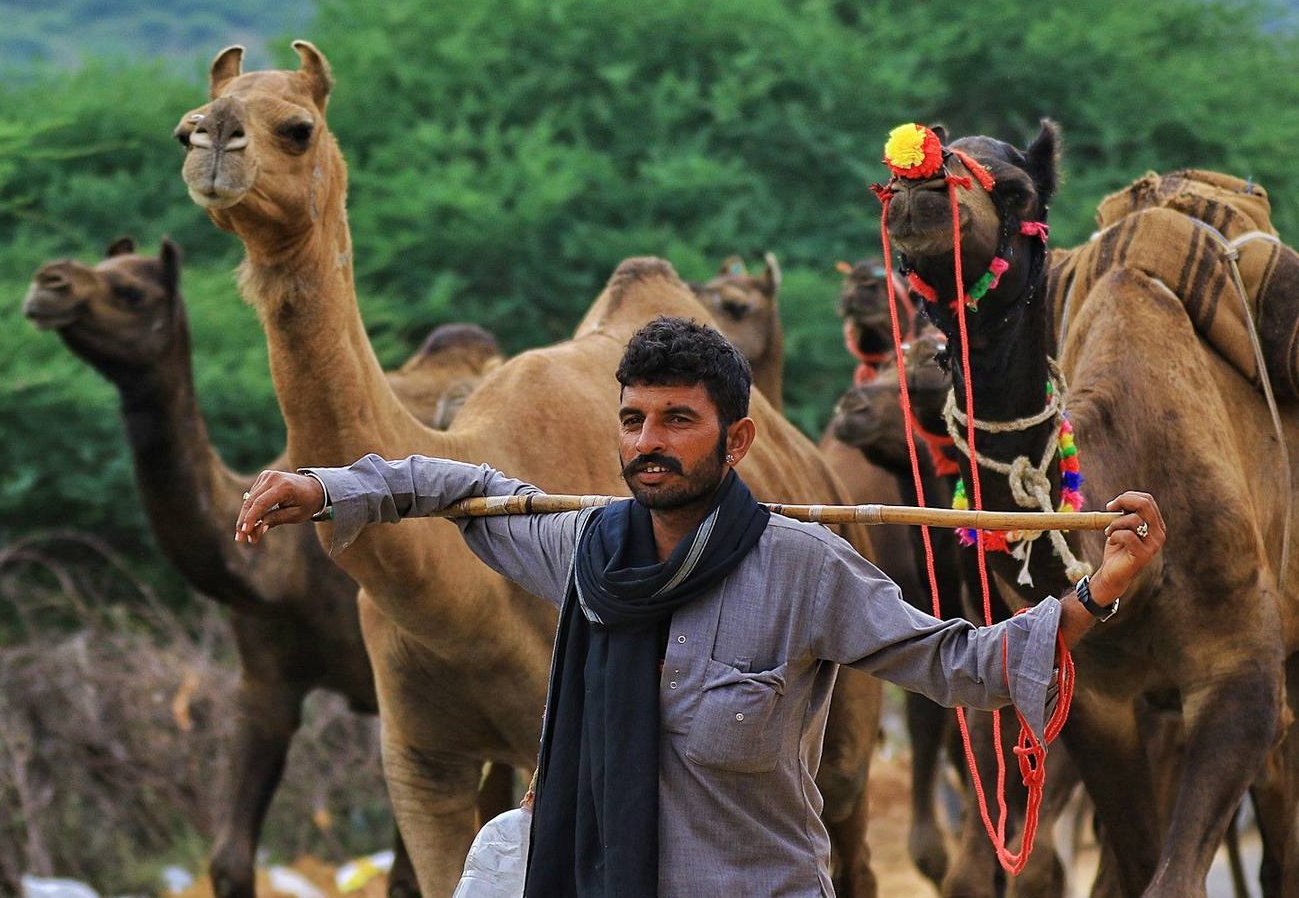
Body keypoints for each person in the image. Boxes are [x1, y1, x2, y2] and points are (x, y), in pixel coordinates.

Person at [234, 317, 1164, 897]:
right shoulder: (585, 548)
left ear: (738, 437)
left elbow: (959, 664)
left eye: (678, 421)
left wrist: (1099, 590)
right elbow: (462, 489)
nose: (650, 443)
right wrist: (329, 488)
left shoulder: (804, 569)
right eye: (634, 420)